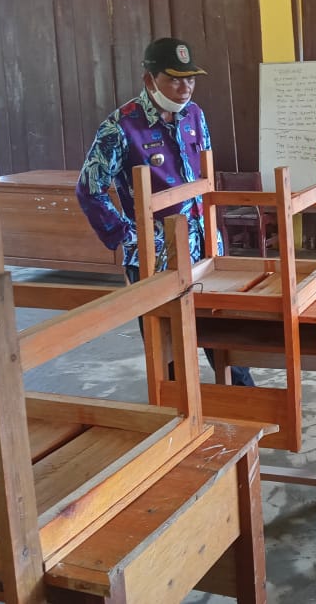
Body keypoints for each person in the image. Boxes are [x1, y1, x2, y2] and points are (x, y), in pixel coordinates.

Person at [76, 37, 254, 387]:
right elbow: (89, 188)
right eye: (174, 79)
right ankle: (179, 414)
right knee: (169, 356)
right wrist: (128, 236)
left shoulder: (194, 115)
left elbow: (205, 177)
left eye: (190, 79)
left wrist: (214, 232)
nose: (185, 88)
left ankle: (244, 405)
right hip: (157, 261)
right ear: (149, 79)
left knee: (227, 342)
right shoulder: (122, 126)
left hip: (206, 249)